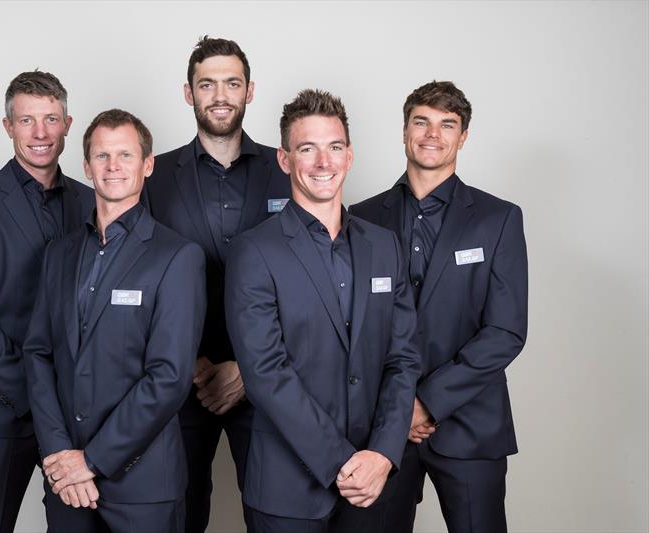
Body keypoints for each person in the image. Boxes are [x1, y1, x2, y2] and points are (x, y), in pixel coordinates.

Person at [224, 89, 421, 533]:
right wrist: (342, 461)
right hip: (287, 489)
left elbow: (403, 358)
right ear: (284, 159)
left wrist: (382, 454)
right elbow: (265, 373)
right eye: (306, 149)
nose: (322, 162)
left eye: (333, 148)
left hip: (374, 482)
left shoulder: (384, 246)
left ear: (349, 157)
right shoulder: (254, 251)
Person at [349, 80, 528, 533]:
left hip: (471, 426)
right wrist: (397, 408)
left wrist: (427, 401)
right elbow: (353, 325)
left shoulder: (498, 218)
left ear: (463, 137)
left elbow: (506, 330)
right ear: (405, 130)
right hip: (379, 429)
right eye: (421, 122)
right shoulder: (361, 217)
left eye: (447, 125)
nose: (433, 134)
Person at [23, 108, 206, 532]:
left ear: (147, 165)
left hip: (143, 487)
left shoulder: (177, 256)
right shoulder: (59, 254)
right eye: (102, 156)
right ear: (86, 167)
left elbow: (169, 378)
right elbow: (38, 354)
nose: (113, 167)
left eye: (125, 155)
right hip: (66, 482)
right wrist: (58, 455)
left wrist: (91, 460)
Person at [142, 35, 291, 532]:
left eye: (232, 82)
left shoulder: (289, 170)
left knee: (276, 517)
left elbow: (311, 282)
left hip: (270, 379)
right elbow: (138, 282)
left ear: (250, 91)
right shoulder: (152, 176)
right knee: (179, 518)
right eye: (208, 84)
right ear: (189, 93)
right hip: (179, 383)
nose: (220, 94)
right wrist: (187, 363)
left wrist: (249, 369)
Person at [0, 70, 94, 533]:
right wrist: (37, 395)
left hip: (77, 418)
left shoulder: (94, 203)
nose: (40, 133)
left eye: (51, 119)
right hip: (0, 408)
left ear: (68, 123)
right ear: (8, 126)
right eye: (27, 121)